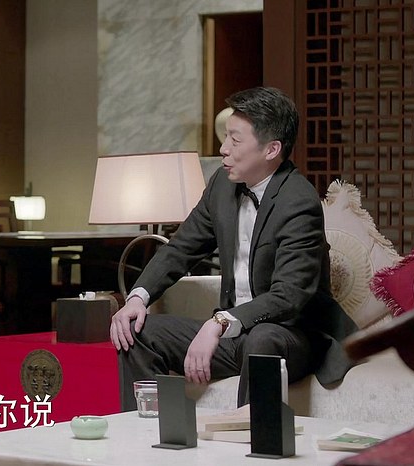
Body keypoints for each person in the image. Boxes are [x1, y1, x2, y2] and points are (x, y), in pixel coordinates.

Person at [111, 86, 359, 409]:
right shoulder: (221, 185)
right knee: (136, 332)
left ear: (271, 149)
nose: (223, 148)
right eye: (226, 136)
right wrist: (138, 297)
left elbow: (289, 296)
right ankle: (149, 433)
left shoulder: (298, 201)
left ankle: (252, 437)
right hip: (234, 335)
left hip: (290, 335)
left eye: (235, 140)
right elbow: (180, 248)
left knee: (263, 338)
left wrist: (219, 323)